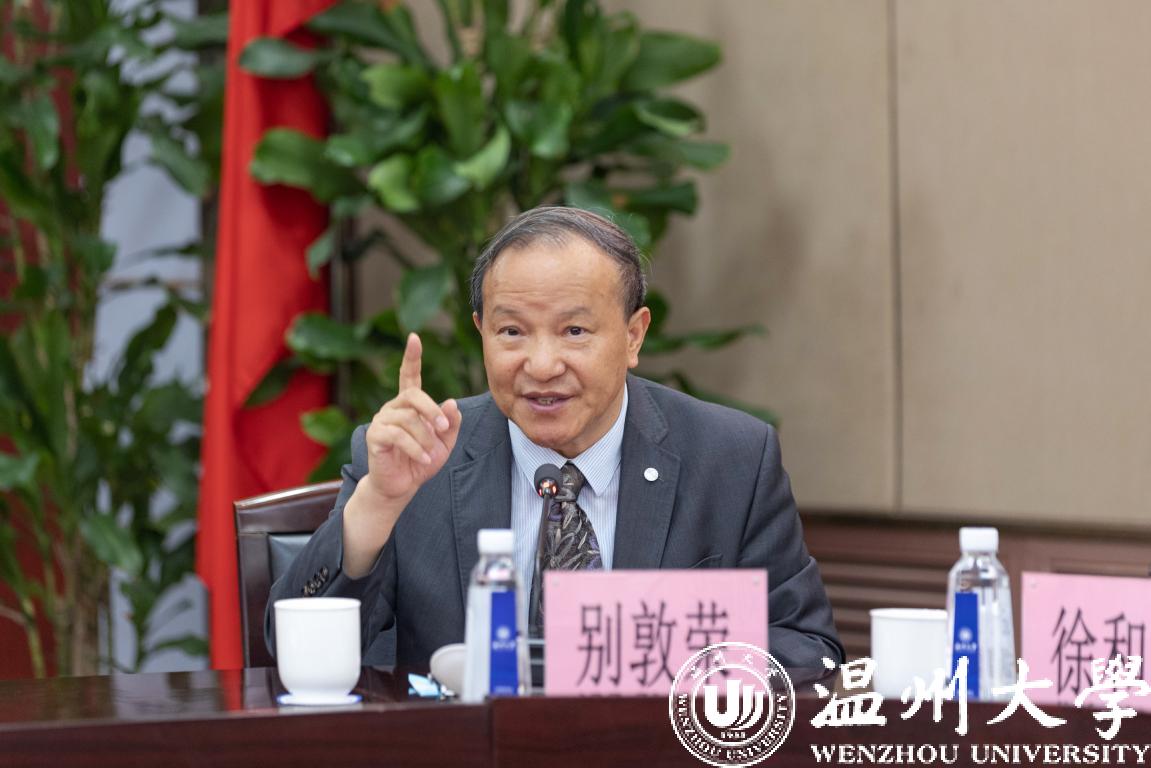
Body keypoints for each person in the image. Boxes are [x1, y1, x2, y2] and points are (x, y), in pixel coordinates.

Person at [267, 206, 844, 673]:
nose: (542, 365)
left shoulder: (731, 459)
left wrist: (659, 661)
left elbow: (808, 650)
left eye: (574, 330)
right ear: (481, 333)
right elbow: (291, 650)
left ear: (633, 335)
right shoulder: (418, 461)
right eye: (511, 331)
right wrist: (378, 503)